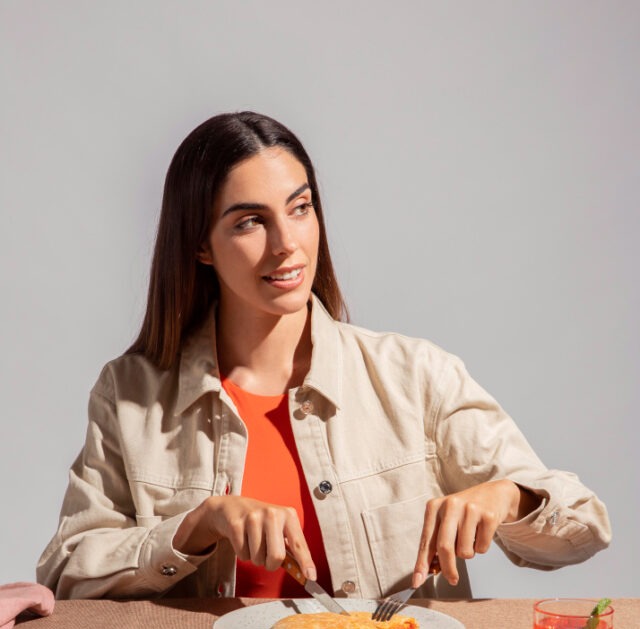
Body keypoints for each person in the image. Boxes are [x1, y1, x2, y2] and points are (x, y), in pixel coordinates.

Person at [37, 111, 611, 601]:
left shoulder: (415, 377)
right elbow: (66, 573)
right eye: (250, 222)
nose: (287, 243)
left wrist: (512, 497)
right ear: (199, 245)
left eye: (300, 208)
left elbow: (584, 527)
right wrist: (196, 526)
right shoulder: (130, 393)